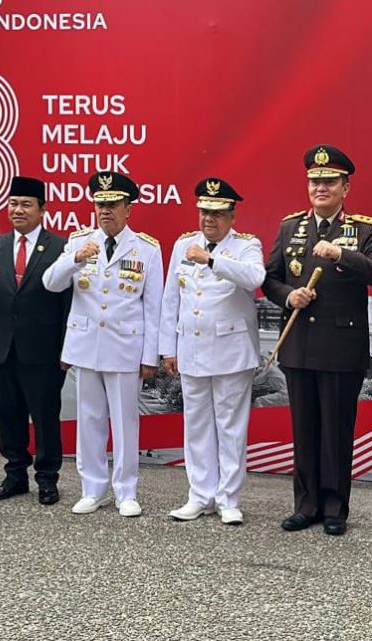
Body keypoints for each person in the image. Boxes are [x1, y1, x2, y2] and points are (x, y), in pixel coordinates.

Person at [261, 144, 372, 536]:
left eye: (329, 181)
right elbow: (269, 278)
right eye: (314, 181)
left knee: (336, 432)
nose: (320, 187)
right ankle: (306, 505)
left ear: (345, 187)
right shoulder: (290, 227)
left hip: (340, 349)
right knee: (304, 431)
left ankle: (335, 507)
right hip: (300, 346)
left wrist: (341, 254)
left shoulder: (363, 229)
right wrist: (288, 295)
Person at [41, 171, 163, 518]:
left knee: (125, 423)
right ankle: (92, 488)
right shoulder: (79, 241)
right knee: (90, 419)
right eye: (100, 204)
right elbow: (50, 283)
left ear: (128, 209)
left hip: (125, 346)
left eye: (113, 205)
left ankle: (126, 491)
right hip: (86, 344)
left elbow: (153, 308)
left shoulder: (147, 248)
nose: (105, 211)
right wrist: (75, 257)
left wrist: (149, 356)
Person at [159, 177, 265, 525]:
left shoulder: (246, 245)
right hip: (192, 348)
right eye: (205, 211)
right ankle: (199, 494)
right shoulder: (183, 245)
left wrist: (210, 260)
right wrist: (167, 349)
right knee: (197, 424)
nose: (209, 219)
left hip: (231, 351)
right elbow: (170, 299)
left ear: (232, 217)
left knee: (231, 427)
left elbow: (254, 278)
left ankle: (228, 498)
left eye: (218, 213)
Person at [0, 176, 70, 506]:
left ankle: (47, 478)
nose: (18, 210)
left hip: (43, 349)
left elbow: (69, 303)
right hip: (1, 347)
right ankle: (15, 475)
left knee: (45, 417)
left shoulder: (60, 247)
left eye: (26, 204)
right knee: (8, 415)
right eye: (13, 204)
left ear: (43, 210)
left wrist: (68, 349)